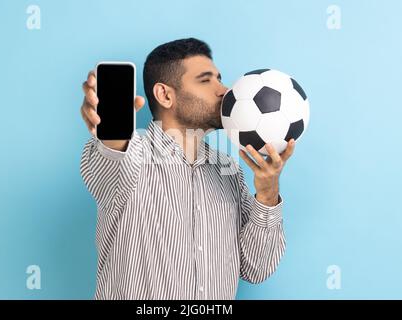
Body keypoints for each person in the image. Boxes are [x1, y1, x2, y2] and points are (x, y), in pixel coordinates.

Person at [79, 38, 295, 300]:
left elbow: (256, 269)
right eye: (206, 80)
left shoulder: (228, 170)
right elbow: (113, 154)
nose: (224, 90)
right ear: (165, 95)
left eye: (219, 78)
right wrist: (108, 120)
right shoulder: (132, 156)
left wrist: (267, 193)